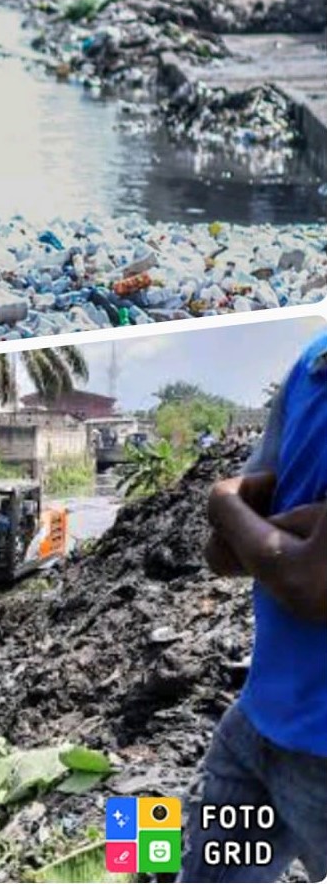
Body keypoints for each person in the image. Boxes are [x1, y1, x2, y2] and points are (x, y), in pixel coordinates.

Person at [179, 329, 327, 883]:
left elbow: (311, 585)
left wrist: (225, 502)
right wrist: (262, 523)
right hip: (257, 728)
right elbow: (221, 552)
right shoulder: (313, 365)